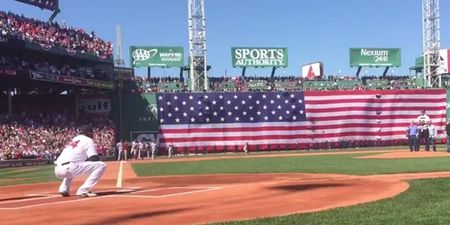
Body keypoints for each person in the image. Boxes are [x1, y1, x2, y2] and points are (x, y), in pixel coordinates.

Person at [54, 125, 107, 197]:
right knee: (101, 165)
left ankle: (64, 189)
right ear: (88, 133)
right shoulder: (88, 140)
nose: (93, 135)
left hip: (57, 169)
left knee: (73, 165)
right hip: (69, 167)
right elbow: (94, 159)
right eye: (92, 133)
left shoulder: (75, 139)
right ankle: (83, 190)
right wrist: (100, 158)